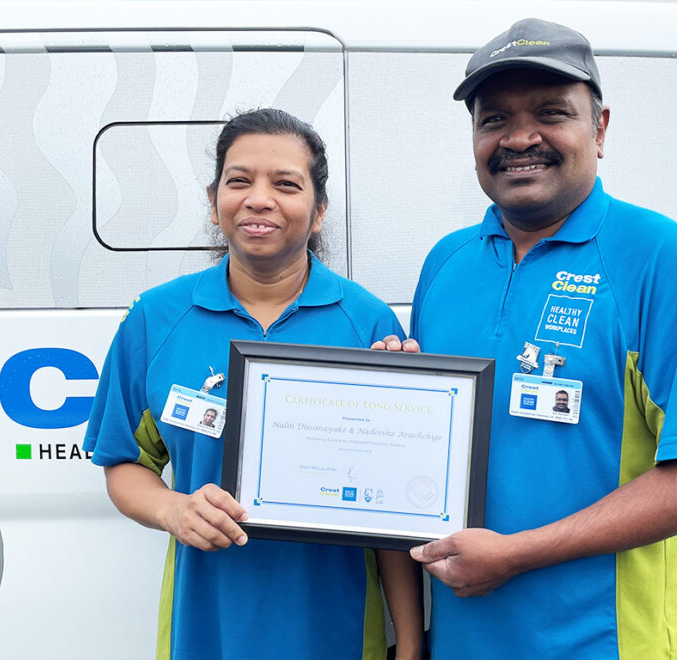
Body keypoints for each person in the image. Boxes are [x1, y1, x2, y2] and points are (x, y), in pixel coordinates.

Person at [374, 18, 677, 659]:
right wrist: (387, 396)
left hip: (604, 643)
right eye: (494, 119)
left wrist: (515, 555)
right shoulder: (445, 265)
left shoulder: (663, 259)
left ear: (601, 129)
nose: (520, 138)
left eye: (551, 113)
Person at [84, 109, 423, 660]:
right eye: (239, 180)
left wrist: (409, 644)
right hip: (205, 628)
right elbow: (124, 464)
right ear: (215, 200)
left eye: (286, 184)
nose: (259, 199)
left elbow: (394, 521)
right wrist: (173, 509)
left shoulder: (369, 323)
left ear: (319, 212)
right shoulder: (156, 318)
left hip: (338, 628)